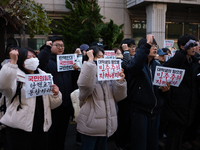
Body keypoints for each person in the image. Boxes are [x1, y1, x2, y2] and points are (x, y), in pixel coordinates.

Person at [0, 47, 62, 150]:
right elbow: (4, 86)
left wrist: (56, 94)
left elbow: (54, 104)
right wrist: (12, 63)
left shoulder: (44, 76)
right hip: (19, 130)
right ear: (20, 61)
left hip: (41, 128)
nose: (33, 59)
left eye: (34, 57)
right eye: (28, 58)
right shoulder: (14, 76)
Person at [77, 46, 127, 150]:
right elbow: (85, 86)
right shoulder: (86, 75)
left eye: (102, 56)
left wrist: (119, 81)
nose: (101, 59)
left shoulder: (109, 75)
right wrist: (90, 62)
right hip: (90, 126)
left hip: (106, 125)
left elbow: (119, 97)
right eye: (97, 57)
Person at [126, 35, 170, 150]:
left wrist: (165, 91)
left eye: (156, 46)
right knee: (139, 145)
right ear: (143, 49)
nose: (155, 48)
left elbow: (160, 91)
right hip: (140, 112)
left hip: (155, 112)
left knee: (153, 144)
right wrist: (146, 45)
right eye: (151, 46)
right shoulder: (136, 65)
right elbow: (133, 66)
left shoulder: (158, 66)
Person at [38, 36, 78, 150]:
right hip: (53, 104)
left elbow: (72, 80)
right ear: (51, 46)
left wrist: (75, 71)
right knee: (51, 134)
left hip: (66, 103)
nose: (61, 48)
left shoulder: (66, 60)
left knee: (62, 133)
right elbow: (39, 64)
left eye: (62, 45)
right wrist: (46, 48)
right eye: (57, 45)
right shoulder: (47, 61)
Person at [161, 35, 200, 150]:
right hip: (176, 107)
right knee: (173, 138)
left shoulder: (193, 62)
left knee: (180, 137)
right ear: (183, 47)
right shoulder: (177, 61)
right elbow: (168, 67)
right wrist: (182, 53)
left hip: (188, 107)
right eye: (191, 46)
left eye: (195, 45)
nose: (194, 48)